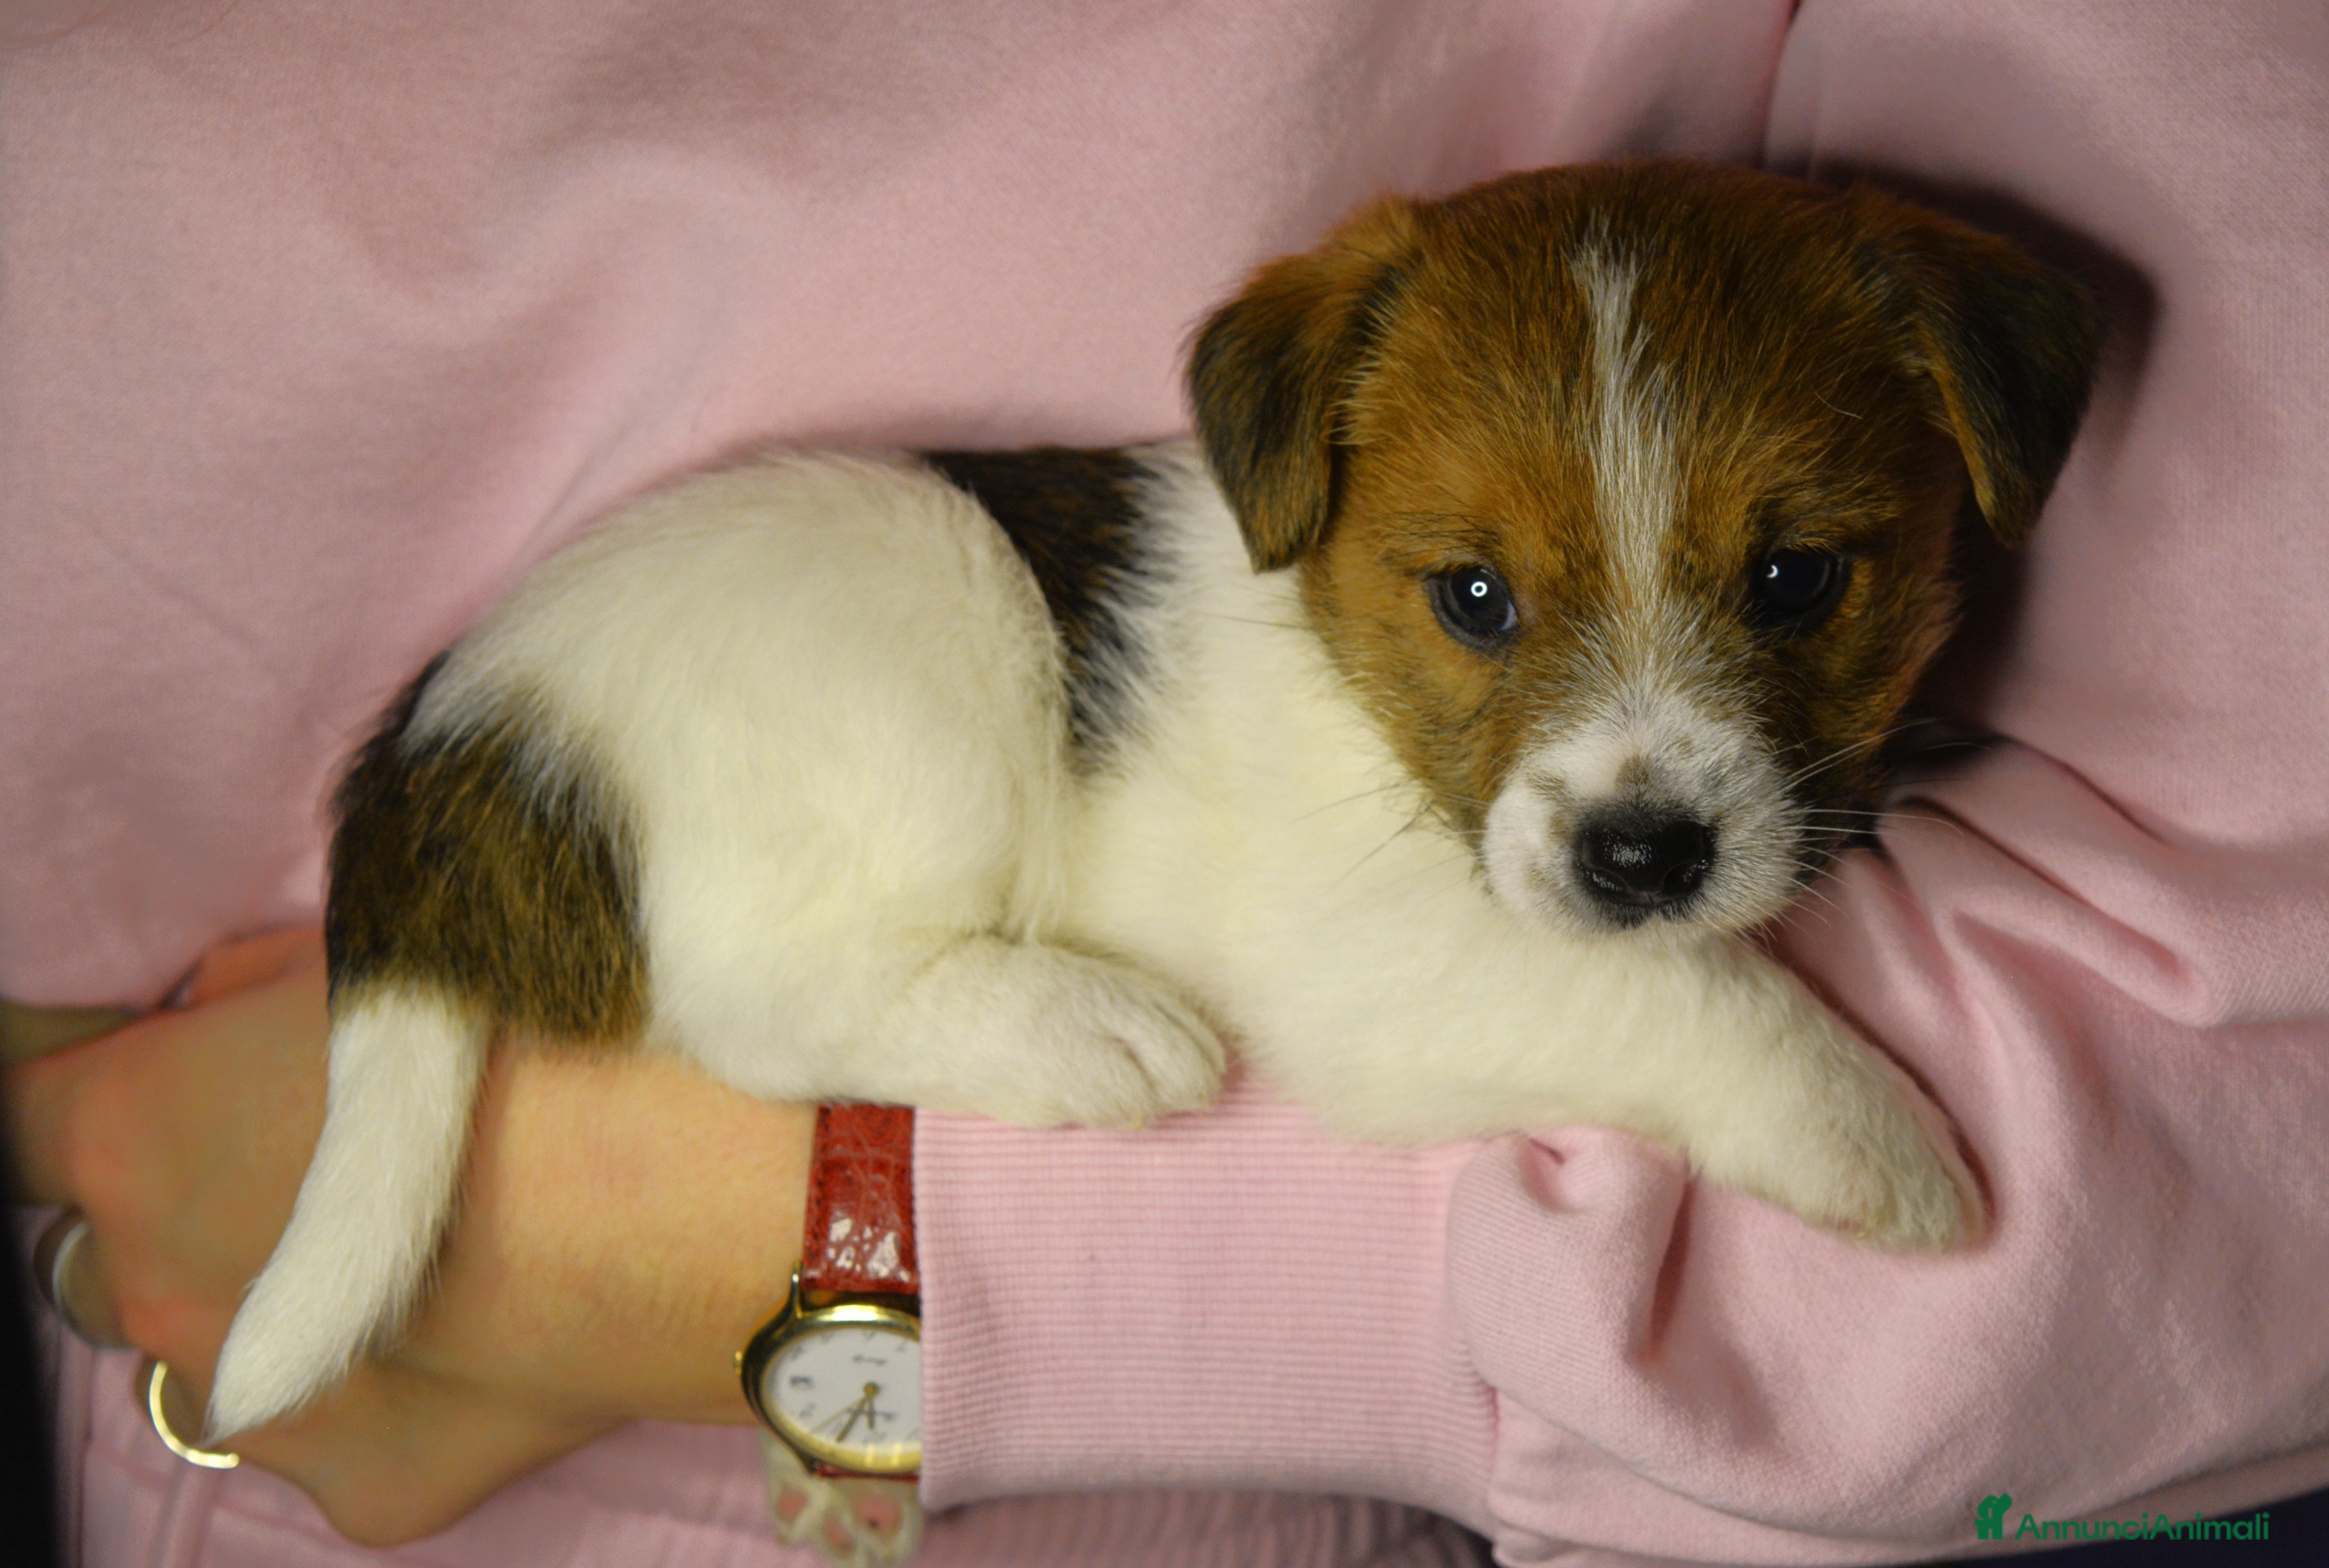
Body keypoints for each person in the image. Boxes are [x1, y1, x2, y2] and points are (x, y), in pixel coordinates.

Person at [6, 3, 2326, 1564]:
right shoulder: (1234, 538)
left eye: (1796, 582)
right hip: (161, 1314)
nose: (1645, 763)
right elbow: (1413, 1017)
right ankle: (800, 996)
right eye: (1487, 614)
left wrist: (774, 1257)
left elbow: (2242, 1053)